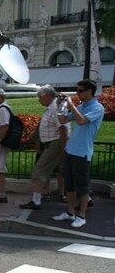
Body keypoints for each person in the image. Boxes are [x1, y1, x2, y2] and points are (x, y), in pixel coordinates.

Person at [52, 79, 104, 228]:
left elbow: (82, 121)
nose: (78, 93)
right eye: (77, 90)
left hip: (82, 152)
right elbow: (62, 119)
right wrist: (59, 105)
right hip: (71, 150)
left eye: (80, 91)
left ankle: (81, 216)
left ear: (89, 91)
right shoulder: (80, 106)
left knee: (82, 187)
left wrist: (72, 105)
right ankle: (69, 212)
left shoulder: (97, 108)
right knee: (70, 185)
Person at [19, 85, 69, 210]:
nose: (39, 100)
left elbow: (63, 128)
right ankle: (85, 197)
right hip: (51, 144)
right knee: (55, 171)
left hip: (55, 144)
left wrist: (62, 149)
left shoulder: (55, 109)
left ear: (46, 96)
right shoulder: (51, 108)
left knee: (39, 171)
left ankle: (36, 201)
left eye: (40, 97)